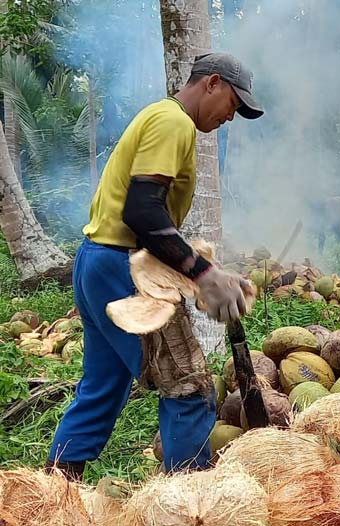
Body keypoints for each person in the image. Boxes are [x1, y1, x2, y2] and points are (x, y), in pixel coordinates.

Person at [46, 53, 264, 481]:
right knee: (188, 386)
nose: (231, 118)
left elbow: (148, 220)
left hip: (97, 261)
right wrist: (202, 273)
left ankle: (51, 492)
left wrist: (201, 269)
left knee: (102, 387)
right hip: (122, 270)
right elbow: (143, 213)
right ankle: (189, 503)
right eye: (233, 105)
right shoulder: (174, 122)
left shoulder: (163, 117)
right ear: (212, 83)